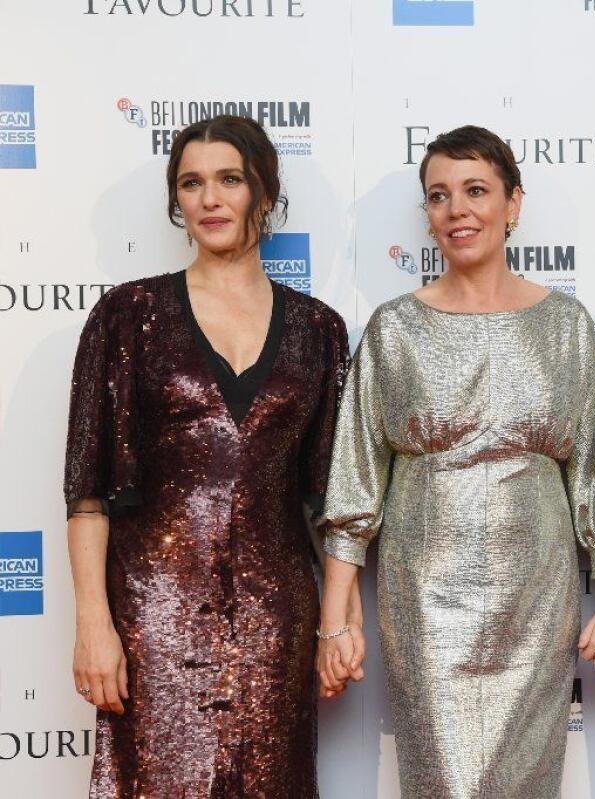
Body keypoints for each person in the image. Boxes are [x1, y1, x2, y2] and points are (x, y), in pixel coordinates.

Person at [315, 125, 595, 798]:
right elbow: (354, 484)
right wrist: (336, 616)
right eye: (438, 196)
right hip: (426, 603)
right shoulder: (393, 327)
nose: (456, 209)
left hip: (537, 601)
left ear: (513, 204)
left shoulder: (567, 324)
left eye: (475, 190)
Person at [64, 114, 349, 797]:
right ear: (177, 202)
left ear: (264, 193)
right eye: (191, 183)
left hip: (276, 618)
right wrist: (93, 625)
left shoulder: (319, 330)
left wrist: (340, 621)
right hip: (153, 617)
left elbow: (335, 498)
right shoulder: (126, 316)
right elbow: (88, 491)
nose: (210, 199)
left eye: (230, 179)